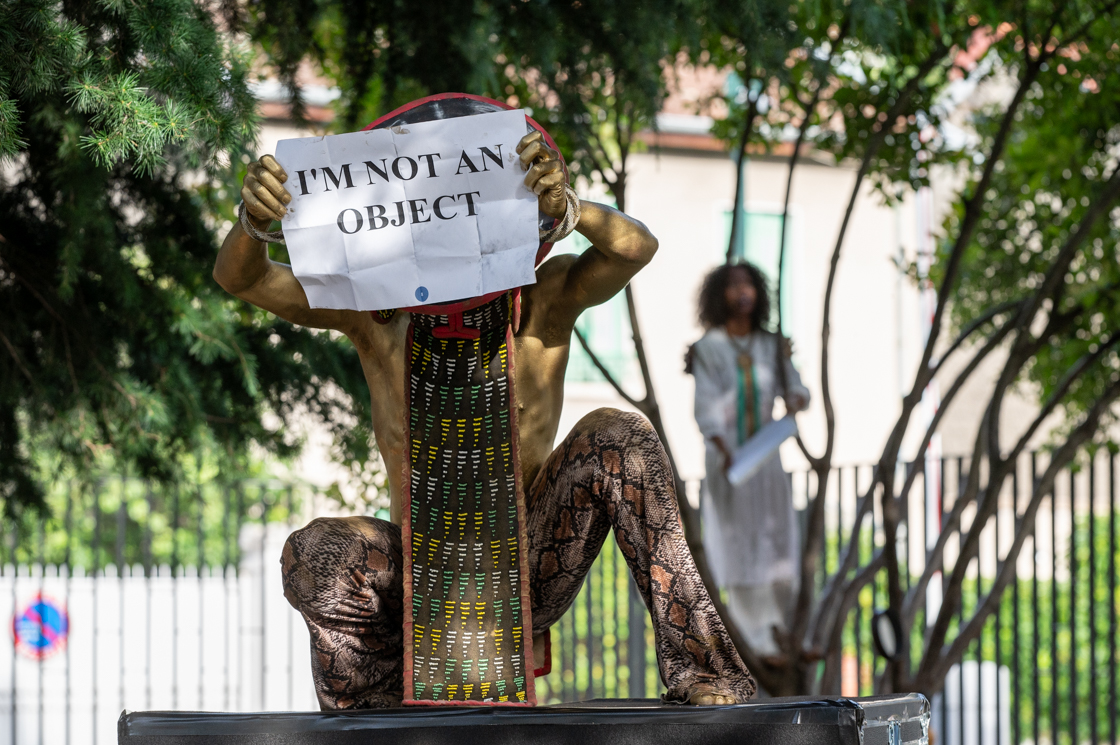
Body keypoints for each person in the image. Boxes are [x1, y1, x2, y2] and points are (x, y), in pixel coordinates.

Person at [213, 96, 755, 708]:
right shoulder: (374, 313)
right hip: (418, 569)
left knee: (619, 436)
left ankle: (703, 667)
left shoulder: (544, 298)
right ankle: (367, 709)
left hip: (529, 557)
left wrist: (573, 211)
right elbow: (245, 278)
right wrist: (255, 222)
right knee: (316, 551)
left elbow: (635, 249)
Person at [687, 262, 810, 664]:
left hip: (767, 459)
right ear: (719, 295)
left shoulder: (772, 345)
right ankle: (754, 641)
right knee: (739, 544)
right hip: (730, 463)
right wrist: (726, 452)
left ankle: (784, 632)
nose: (742, 293)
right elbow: (706, 406)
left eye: (748, 285)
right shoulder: (710, 348)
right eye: (733, 286)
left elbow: (796, 389)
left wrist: (796, 399)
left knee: (776, 541)